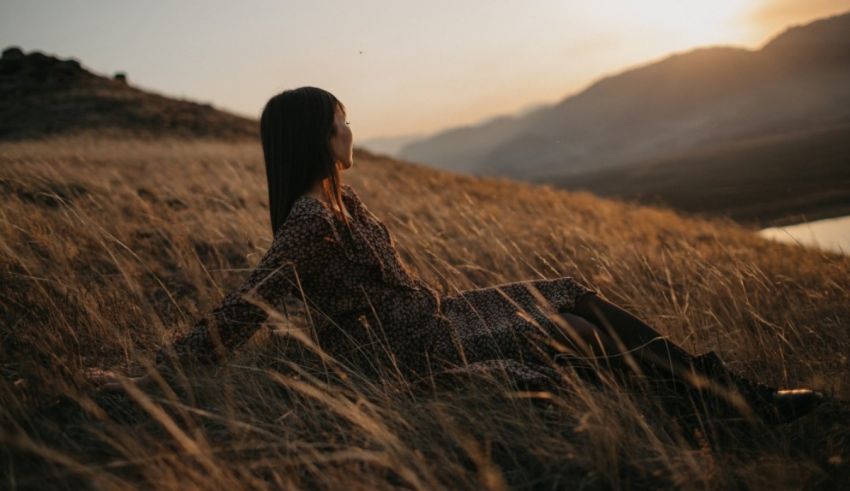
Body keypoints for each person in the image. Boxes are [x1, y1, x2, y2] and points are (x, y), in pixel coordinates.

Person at [93, 86, 823, 425]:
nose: (352, 132)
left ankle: (727, 393)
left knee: (575, 290)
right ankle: (735, 408)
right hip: (420, 352)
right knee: (580, 332)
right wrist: (140, 382)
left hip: (439, 316)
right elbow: (238, 313)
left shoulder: (345, 202)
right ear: (315, 136)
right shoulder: (308, 222)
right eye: (342, 123)